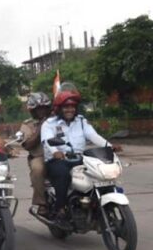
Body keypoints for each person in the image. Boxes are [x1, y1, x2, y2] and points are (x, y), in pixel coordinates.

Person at [41, 83, 119, 222]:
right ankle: (60, 208)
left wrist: (109, 146)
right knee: (62, 174)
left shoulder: (81, 121)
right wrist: (55, 152)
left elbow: (94, 136)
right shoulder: (49, 123)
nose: (70, 109)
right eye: (66, 107)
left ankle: (95, 203)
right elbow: (47, 141)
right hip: (59, 160)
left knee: (99, 172)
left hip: (79, 158)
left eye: (72, 106)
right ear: (59, 108)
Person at [20, 92, 52, 217]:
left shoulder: (56, 120)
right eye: (38, 109)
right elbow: (27, 145)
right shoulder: (27, 124)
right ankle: (41, 203)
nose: (41, 111)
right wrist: (41, 127)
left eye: (44, 108)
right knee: (37, 169)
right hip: (39, 156)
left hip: (58, 155)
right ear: (32, 110)